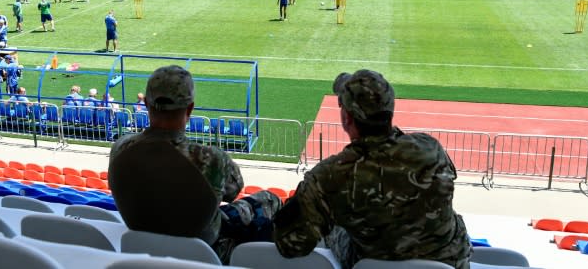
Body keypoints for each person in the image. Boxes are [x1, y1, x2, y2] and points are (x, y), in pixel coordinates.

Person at [273, 70, 471, 269]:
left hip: (372, 263)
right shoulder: (430, 149)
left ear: (347, 118)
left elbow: (291, 245)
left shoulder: (328, 177)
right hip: (450, 262)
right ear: (390, 110)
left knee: (337, 228)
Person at [108, 65, 282, 263]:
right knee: (270, 200)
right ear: (190, 108)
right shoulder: (210, 158)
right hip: (205, 253)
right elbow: (233, 191)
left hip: (142, 248)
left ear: (146, 103)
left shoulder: (120, 148)